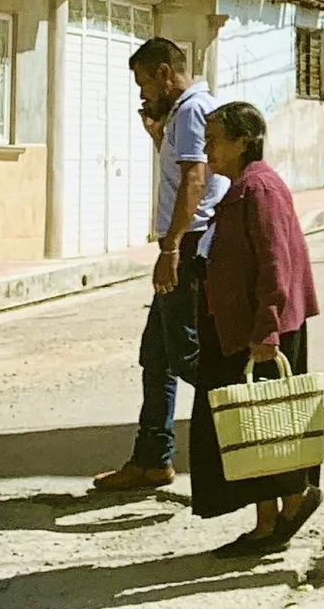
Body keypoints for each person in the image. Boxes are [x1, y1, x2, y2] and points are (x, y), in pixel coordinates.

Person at [89, 35, 228, 497]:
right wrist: (156, 139)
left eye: (145, 83)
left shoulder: (190, 110)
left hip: (187, 247)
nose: (143, 94)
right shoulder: (186, 112)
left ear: (166, 73)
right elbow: (179, 174)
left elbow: (194, 179)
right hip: (183, 243)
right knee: (157, 356)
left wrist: (169, 250)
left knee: (188, 356)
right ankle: (152, 459)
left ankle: (235, 436)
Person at [185, 100, 322, 557]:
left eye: (215, 140)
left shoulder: (259, 189)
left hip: (261, 330)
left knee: (269, 424)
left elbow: (275, 263)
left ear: (242, 142)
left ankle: (295, 499)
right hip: (237, 328)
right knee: (250, 429)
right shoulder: (238, 186)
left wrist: (266, 329)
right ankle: (266, 522)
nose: (207, 150)